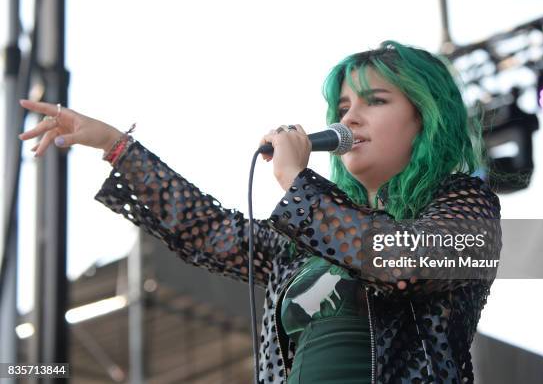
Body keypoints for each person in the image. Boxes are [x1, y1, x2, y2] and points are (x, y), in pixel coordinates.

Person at [18, 40, 502, 383]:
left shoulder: (465, 203)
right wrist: (115, 145)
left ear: (425, 118)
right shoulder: (307, 238)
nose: (348, 117)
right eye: (343, 104)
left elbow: (402, 262)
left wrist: (296, 180)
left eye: (374, 102)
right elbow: (208, 231)